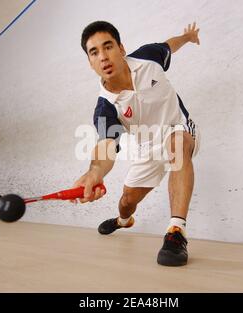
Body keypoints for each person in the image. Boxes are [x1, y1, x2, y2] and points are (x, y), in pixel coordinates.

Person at [72, 21, 201, 266]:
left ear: (121, 48)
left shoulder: (148, 58)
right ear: (90, 63)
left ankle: (176, 233)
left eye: (108, 47)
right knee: (127, 202)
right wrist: (95, 172)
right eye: (94, 52)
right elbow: (106, 144)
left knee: (177, 145)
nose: (103, 57)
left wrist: (188, 37)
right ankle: (122, 221)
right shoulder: (105, 108)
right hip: (147, 148)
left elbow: (169, 46)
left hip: (178, 129)